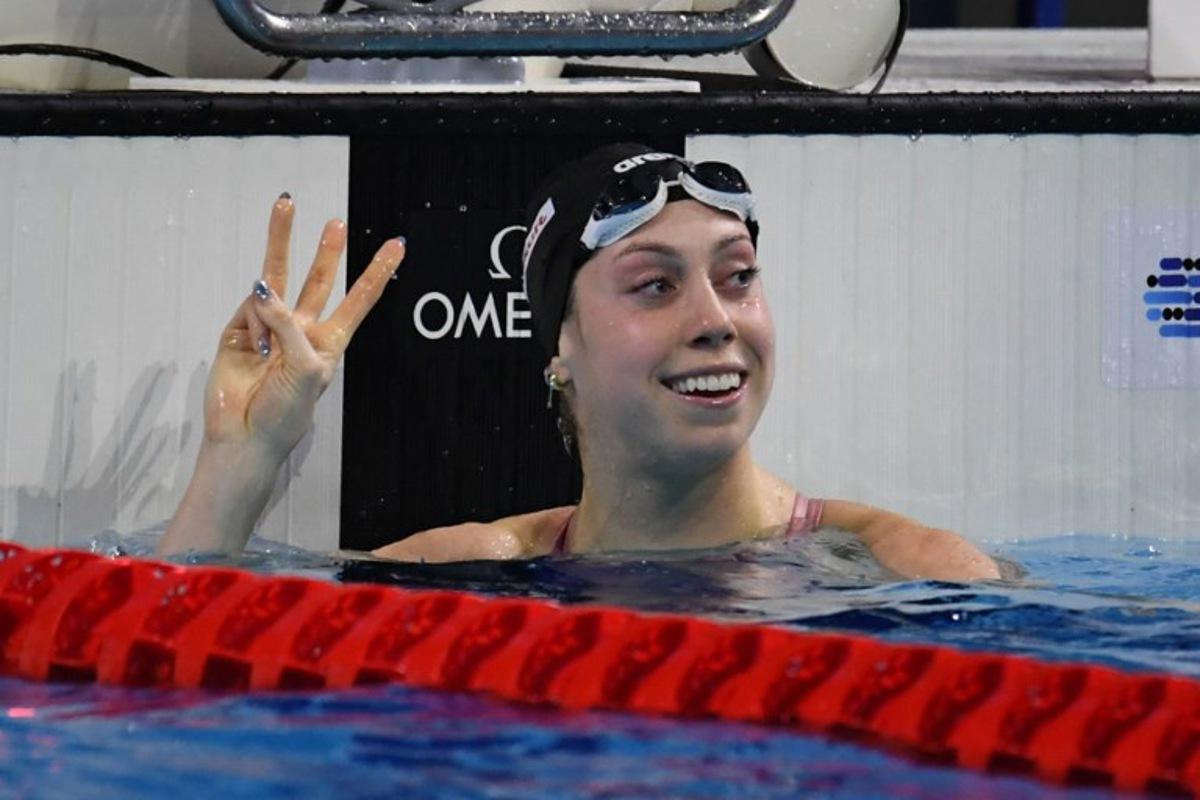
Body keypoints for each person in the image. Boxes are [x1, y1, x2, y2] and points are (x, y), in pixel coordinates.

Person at [159, 143, 1000, 581]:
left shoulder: (900, 565)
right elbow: (183, 665)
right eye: (654, 286)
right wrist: (240, 461)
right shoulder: (478, 568)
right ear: (560, 345)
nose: (716, 321)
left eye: (738, 277)